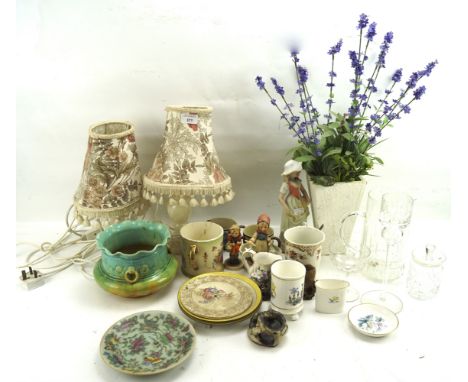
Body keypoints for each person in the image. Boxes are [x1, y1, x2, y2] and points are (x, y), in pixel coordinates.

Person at [278, 160, 311, 241]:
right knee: (292, 219)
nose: (298, 174)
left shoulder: (298, 181)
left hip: (299, 202)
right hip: (291, 204)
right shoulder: (285, 184)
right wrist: (286, 208)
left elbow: (303, 190)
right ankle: (290, 237)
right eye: (296, 173)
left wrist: (307, 198)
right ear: (289, 173)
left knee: (301, 218)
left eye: (299, 172)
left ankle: (300, 236)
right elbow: (280, 198)